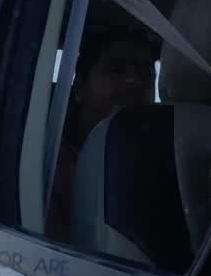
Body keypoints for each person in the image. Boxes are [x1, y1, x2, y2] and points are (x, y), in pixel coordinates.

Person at [45, 26, 157, 241]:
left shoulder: (169, 158)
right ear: (80, 88)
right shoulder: (49, 165)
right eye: (115, 69)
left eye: (145, 74)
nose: (132, 81)